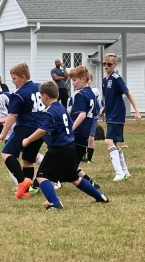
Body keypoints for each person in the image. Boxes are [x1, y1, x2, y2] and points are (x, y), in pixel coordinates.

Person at [22, 81, 109, 210]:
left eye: (41, 97)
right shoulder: (61, 108)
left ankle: (55, 203)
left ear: (45, 96)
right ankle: (100, 196)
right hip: (70, 147)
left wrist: (28, 140)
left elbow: (43, 130)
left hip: (58, 149)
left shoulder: (50, 112)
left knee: (41, 176)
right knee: (74, 178)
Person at [0, 62, 45, 200]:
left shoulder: (19, 94)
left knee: (6, 153)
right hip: (40, 130)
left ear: (23, 77)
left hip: (25, 129)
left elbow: (12, 116)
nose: (13, 82)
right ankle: (26, 191)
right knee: (28, 160)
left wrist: (2, 134)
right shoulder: (40, 87)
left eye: (14, 78)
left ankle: (22, 182)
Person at [100, 53, 142, 181]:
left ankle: (119, 173)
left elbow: (128, 93)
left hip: (117, 114)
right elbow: (109, 98)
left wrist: (137, 111)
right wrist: (104, 108)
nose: (106, 66)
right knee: (115, 143)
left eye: (109, 64)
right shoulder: (104, 80)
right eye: (104, 64)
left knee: (108, 141)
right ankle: (125, 172)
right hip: (110, 113)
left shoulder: (117, 78)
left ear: (115, 65)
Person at [68, 66, 101, 188]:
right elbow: (95, 111)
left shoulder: (80, 94)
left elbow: (82, 114)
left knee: (64, 165)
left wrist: (71, 129)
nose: (72, 83)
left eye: (75, 80)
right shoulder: (91, 93)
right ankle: (92, 183)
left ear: (83, 79)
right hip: (84, 135)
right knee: (71, 165)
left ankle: (38, 185)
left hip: (76, 135)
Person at [85, 73, 101, 163]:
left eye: (89, 79)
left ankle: (89, 158)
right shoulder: (79, 92)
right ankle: (82, 155)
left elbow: (98, 103)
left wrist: (100, 111)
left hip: (92, 117)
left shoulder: (95, 91)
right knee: (83, 137)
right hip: (83, 118)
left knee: (91, 137)